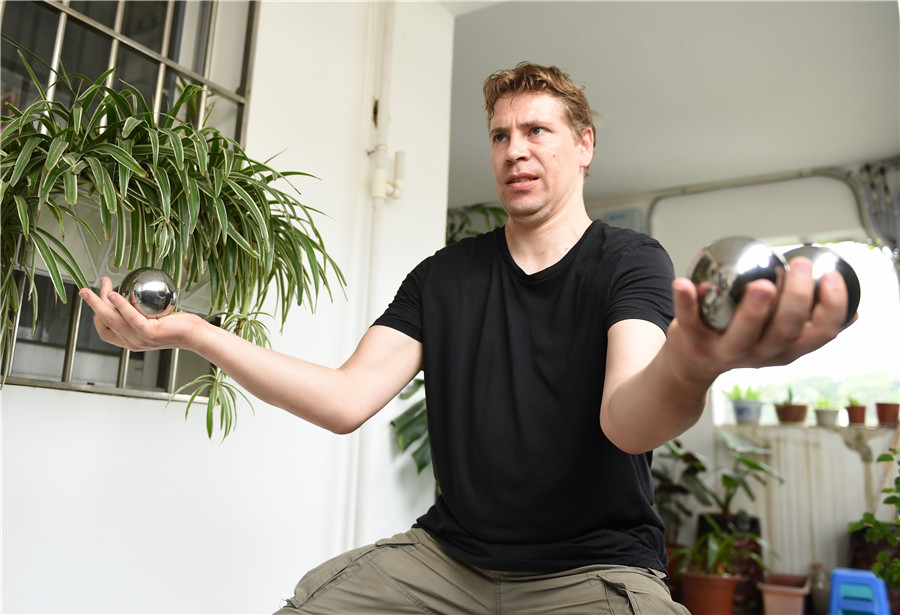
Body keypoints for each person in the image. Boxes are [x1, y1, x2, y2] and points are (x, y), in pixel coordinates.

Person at [80, 62, 852, 614]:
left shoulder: (629, 262)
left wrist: (691, 361)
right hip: (446, 561)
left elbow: (626, 417)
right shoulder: (444, 276)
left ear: (583, 146)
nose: (516, 149)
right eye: (501, 134)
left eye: (538, 130)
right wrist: (192, 331)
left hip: (591, 571)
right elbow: (348, 398)